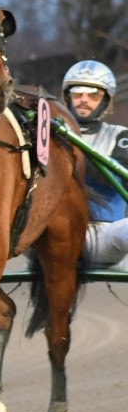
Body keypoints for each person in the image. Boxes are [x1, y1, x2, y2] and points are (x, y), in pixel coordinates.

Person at [61, 59, 128, 268]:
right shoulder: (46, 134)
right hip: (53, 234)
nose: (84, 100)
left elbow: (110, 178)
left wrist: (68, 147)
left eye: (93, 94)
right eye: (77, 93)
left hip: (104, 235)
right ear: (67, 97)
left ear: (106, 101)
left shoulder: (121, 136)